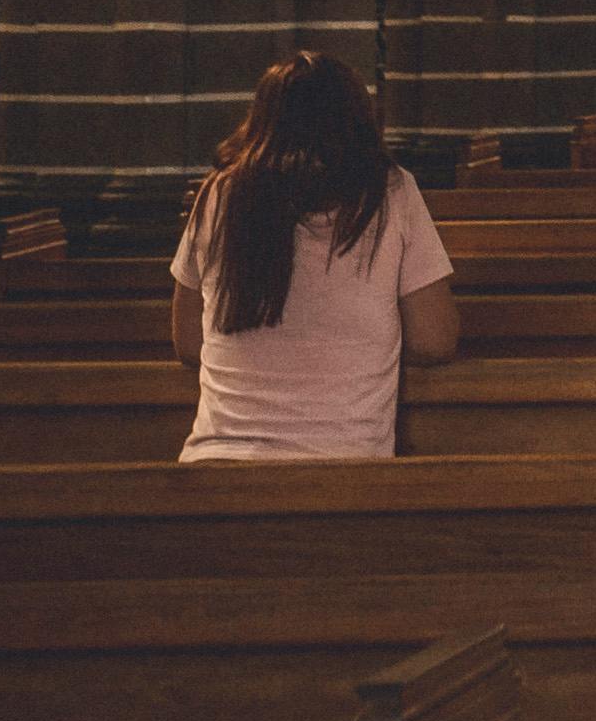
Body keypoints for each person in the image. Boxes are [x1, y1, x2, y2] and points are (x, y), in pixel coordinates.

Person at [169, 48, 459, 461]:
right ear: (357, 119)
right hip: (341, 472)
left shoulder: (219, 194)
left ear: (262, 119)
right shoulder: (390, 192)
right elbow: (434, 339)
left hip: (219, 465)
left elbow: (188, 341)